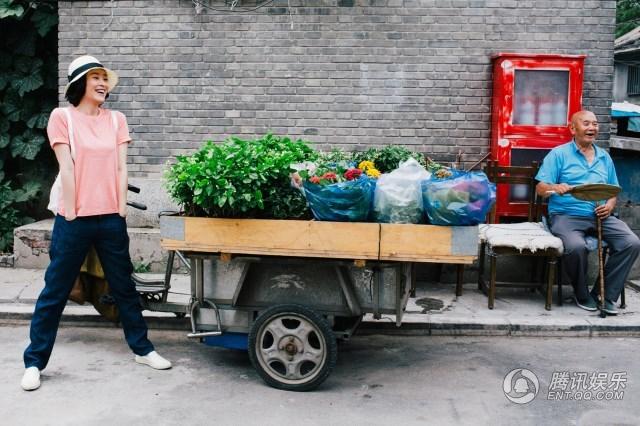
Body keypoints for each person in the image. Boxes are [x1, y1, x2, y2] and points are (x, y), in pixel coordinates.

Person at [21, 55, 172, 391]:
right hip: (73, 219)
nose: (104, 83)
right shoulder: (63, 118)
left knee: (124, 287)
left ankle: (143, 349)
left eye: (105, 78)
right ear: (80, 84)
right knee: (55, 291)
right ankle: (34, 362)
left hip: (109, 219)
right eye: (96, 78)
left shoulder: (116, 119)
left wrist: (119, 209)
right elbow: (69, 167)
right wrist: (72, 211)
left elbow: (120, 168)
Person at [536, 110, 640, 315]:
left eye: (595, 124)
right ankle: (581, 293)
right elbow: (540, 188)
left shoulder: (604, 157)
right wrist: (556, 188)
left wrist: (610, 205)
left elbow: (613, 190)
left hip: (600, 215)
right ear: (573, 128)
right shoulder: (559, 154)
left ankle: (604, 294)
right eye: (586, 124)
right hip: (566, 215)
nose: (592, 128)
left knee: (631, 242)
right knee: (575, 246)